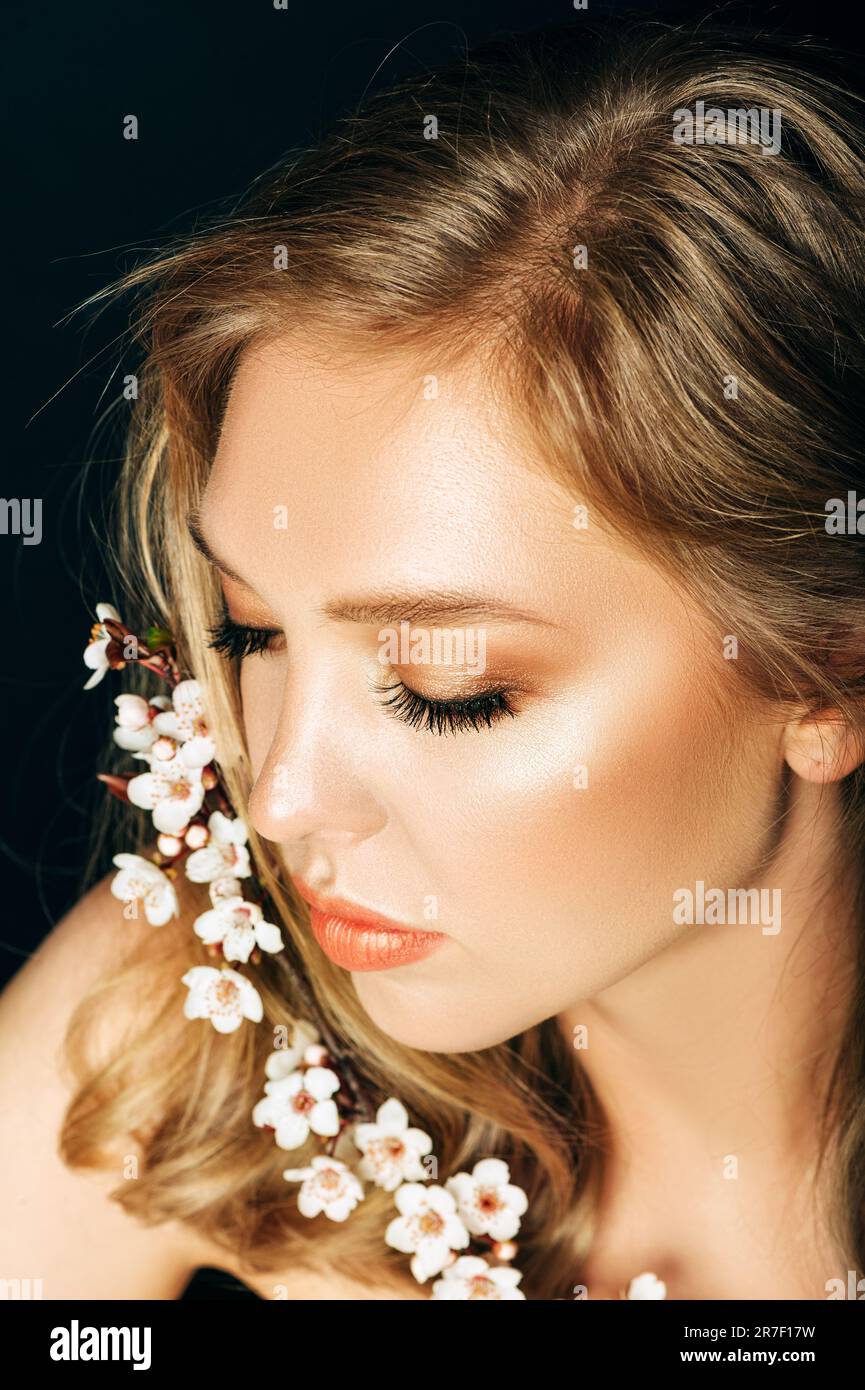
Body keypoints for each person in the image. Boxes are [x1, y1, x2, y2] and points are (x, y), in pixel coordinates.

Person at [3, 15, 865, 1301]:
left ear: (830, 670)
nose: (281, 796)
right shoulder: (175, 1038)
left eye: (445, 688)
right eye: (251, 631)